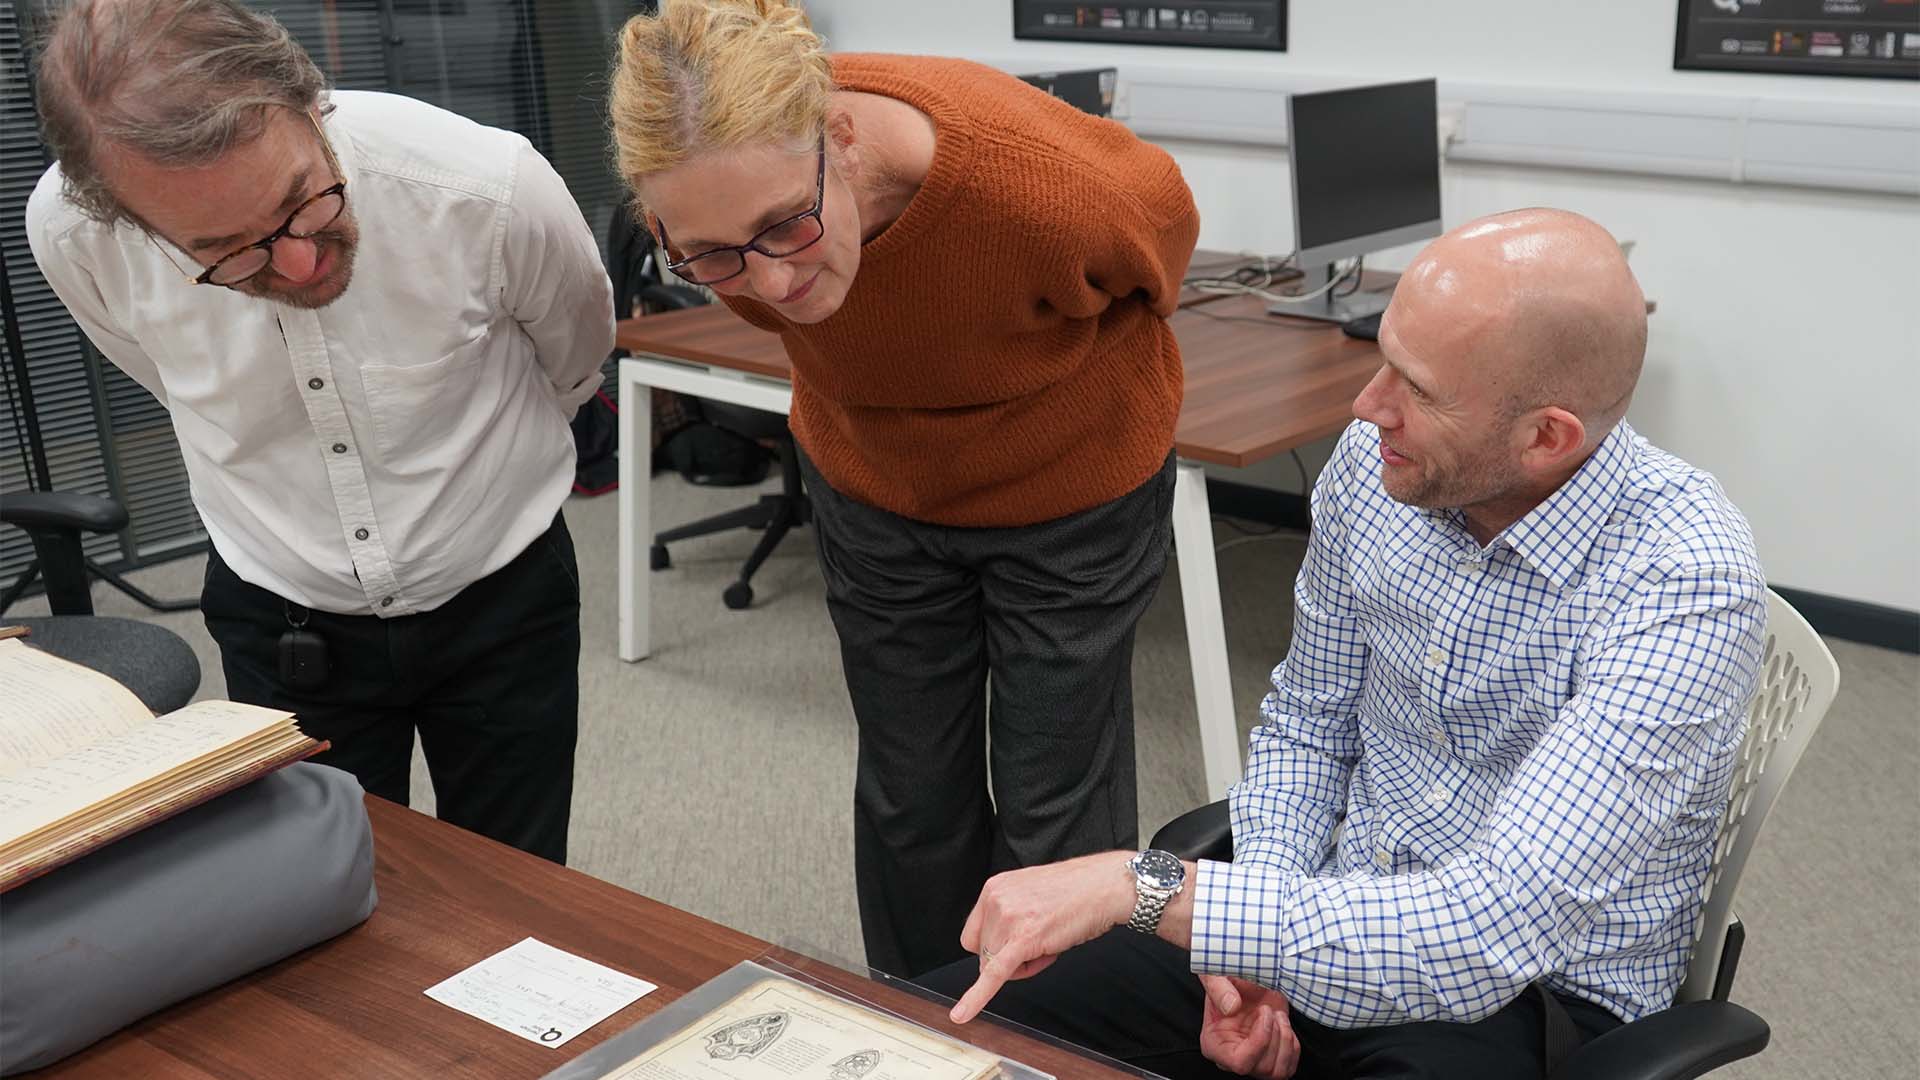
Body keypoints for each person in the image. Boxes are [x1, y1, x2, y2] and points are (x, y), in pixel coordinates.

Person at [922, 209, 1770, 1079]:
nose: (1368, 408)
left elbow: (1490, 926)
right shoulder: (1376, 467)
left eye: (1418, 389)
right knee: (928, 1031)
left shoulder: (1685, 582)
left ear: (1546, 437)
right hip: (1321, 906)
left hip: (1525, 993)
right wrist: (1256, 956)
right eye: (1384, 360)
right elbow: (1309, 723)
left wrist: (1139, 889)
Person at [609, 0, 1200, 976]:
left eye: (785, 226)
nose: (773, 283)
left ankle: (1060, 1036)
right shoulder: (728, 229)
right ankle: (921, 1015)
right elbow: (778, 283)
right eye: (714, 255)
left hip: (1072, 488)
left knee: (1054, 793)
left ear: (838, 135)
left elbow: (1161, 239)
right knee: (910, 789)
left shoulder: (1027, 180)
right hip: (875, 483)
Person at [27, 0, 614, 864]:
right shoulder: (74, 236)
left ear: (309, 100)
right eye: (226, 252)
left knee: (519, 888)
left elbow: (573, 355)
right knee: (318, 901)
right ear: (129, 216)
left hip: (501, 593)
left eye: (303, 200)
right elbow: (161, 380)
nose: (299, 264)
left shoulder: (484, 187)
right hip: (279, 611)